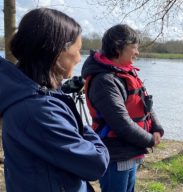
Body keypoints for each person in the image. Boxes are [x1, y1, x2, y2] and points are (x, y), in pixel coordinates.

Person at [0, 8, 110, 192]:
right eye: (77, 49)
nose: (78, 58)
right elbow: (96, 164)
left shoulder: (32, 95)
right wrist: (85, 128)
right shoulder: (38, 109)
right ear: (57, 52)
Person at [81, 24, 164, 192]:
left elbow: (144, 102)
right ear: (118, 48)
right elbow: (121, 123)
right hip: (116, 153)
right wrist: (150, 140)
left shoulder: (125, 72)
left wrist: (157, 128)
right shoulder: (104, 81)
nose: (137, 52)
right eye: (134, 47)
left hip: (132, 149)